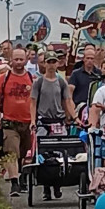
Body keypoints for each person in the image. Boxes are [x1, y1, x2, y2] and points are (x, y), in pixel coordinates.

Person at [30, 51, 78, 201]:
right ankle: (46, 187)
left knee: (60, 153)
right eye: (48, 62)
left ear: (57, 63)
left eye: (53, 62)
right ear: (44, 64)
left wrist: (75, 117)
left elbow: (67, 101)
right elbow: (32, 102)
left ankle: (57, 184)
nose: (51, 65)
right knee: (44, 154)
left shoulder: (61, 82)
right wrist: (32, 121)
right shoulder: (38, 82)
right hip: (43, 121)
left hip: (58, 121)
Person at [0, 48, 33, 197]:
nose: (19, 62)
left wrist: (35, 119)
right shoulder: (4, 78)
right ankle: (14, 183)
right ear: (11, 60)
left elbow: (35, 101)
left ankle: (21, 176)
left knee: (23, 152)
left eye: (21, 59)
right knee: (11, 152)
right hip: (10, 123)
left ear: (25, 60)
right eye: (16, 59)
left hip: (26, 123)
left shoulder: (31, 78)